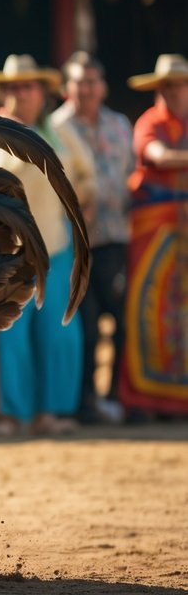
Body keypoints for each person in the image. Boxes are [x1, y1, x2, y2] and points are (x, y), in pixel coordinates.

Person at [0, 54, 95, 437]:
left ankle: (54, 412)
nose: (20, 93)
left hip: (58, 246)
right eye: (13, 87)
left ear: (41, 92)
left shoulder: (60, 130)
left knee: (60, 333)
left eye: (28, 86)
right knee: (13, 336)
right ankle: (14, 415)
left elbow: (86, 174)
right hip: (12, 251)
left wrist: (86, 204)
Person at [51, 52, 134, 425]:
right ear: (66, 87)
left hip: (116, 236)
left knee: (121, 320)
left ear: (102, 86)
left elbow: (130, 172)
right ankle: (83, 400)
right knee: (82, 326)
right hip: (74, 243)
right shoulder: (54, 128)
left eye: (91, 81)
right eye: (78, 81)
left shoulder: (120, 125)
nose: (86, 89)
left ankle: (117, 396)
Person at [121, 53, 188, 422]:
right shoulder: (149, 122)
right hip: (155, 227)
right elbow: (157, 156)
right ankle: (145, 401)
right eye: (167, 85)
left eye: (179, 84)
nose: (173, 91)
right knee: (148, 308)